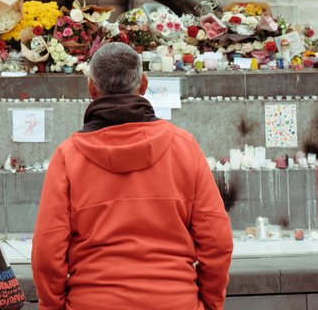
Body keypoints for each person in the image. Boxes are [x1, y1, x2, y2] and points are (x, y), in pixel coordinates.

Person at [32, 42, 233, 310]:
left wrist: (52, 307)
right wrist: (210, 303)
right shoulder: (184, 146)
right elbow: (218, 241)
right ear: (143, 85)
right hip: (174, 300)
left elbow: (48, 251)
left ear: (92, 88)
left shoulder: (68, 156)